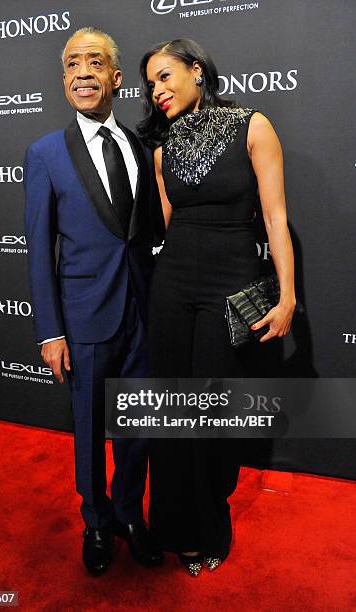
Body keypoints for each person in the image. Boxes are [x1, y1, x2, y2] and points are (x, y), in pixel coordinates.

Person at [138, 38, 296, 576]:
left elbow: (275, 216)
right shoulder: (162, 151)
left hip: (230, 285)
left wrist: (288, 293)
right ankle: (173, 527)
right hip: (172, 285)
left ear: (197, 70)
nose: (156, 91)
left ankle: (210, 525)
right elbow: (163, 227)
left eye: (164, 77)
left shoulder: (253, 125)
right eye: (150, 84)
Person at [24, 27, 163, 576]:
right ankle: (97, 522)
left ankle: (132, 514)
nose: (83, 72)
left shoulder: (140, 147)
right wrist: (50, 330)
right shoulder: (44, 153)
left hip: (142, 314)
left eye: (95, 62)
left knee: (139, 426)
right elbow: (39, 249)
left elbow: (149, 235)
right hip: (84, 318)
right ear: (64, 79)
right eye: (73, 64)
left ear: (116, 77)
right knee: (88, 427)